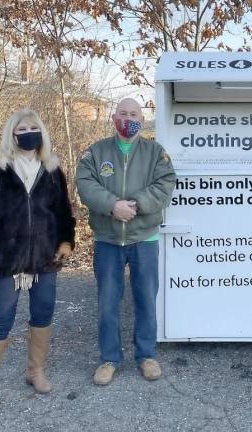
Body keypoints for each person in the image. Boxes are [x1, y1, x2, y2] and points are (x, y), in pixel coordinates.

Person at [0, 108, 76, 417]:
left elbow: (64, 212)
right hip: (3, 260)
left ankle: (35, 371)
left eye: (32, 127)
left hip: (44, 259)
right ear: (12, 133)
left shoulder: (52, 170)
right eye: (21, 128)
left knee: (43, 314)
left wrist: (66, 240)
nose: (27, 133)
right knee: (0, 321)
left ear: (42, 133)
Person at [76, 98, 176, 385]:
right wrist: (111, 205)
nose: (128, 118)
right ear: (113, 117)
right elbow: (85, 183)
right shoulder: (96, 152)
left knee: (146, 299)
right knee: (108, 301)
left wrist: (136, 204)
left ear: (142, 120)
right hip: (108, 239)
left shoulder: (155, 153)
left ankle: (146, 356)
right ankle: (109, 359)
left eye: (133, 114)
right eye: (123, 113)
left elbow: (165, 183)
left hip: (144, 238)